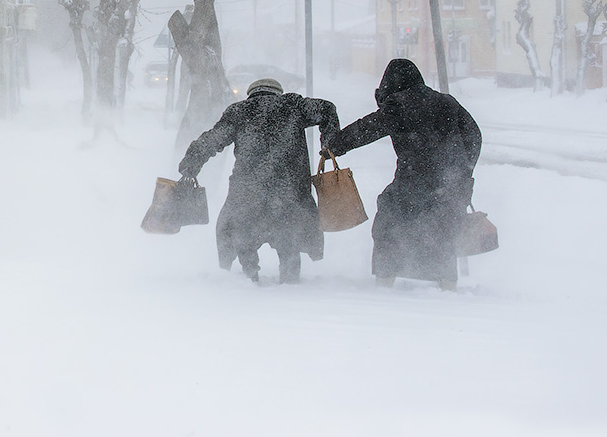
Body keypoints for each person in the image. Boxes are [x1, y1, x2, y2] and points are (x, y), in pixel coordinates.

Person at [326, 59, 481, 290]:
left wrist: (336, 145)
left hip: (414, 180)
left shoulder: (400, 104)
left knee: (389, 223)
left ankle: (385, 281)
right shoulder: (446, 101)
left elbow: (368, 128)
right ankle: (448, 286)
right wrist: (462, 169)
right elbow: (474, 135)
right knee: (444, 231)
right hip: (451, 183)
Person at [178, 77, 340, 284]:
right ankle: (290, 284)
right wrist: (329, 144)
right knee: (288, 242)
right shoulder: (294, 105)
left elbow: (212, 139)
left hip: (249, 191)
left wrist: (190, 164)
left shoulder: (239, 111)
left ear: (251, 94)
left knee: (243, 237)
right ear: (277, 93)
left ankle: (250, 279)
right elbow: (327, 108)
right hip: (289, 191)